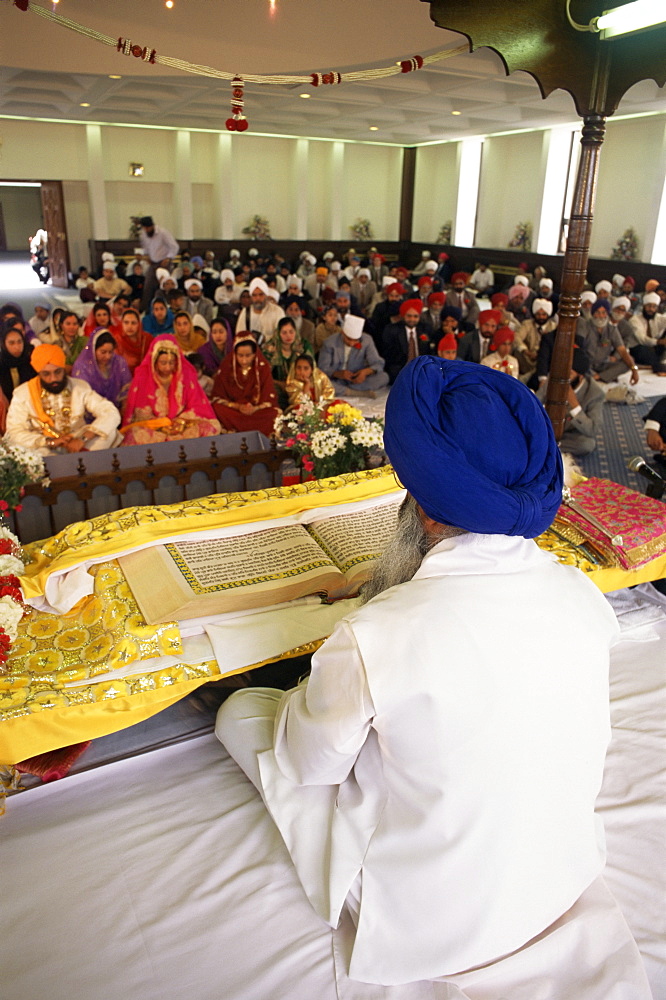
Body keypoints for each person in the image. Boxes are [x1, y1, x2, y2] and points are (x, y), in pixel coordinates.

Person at [215, 355, 627, 988]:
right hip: (559, 872)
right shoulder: (579, 594)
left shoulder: (380, 633)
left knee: (242, 714)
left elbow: (309, 765)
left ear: (424, 512)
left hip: (435, 916)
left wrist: (318, 688)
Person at [5, 343, 120, 455]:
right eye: (46, 374)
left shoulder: (79, 387)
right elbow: (15, 431)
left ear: (64, 368)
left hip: (77, 440)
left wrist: (83, 439)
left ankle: (83, 460)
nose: (53, 378)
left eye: (57, 372)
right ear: (38, 373)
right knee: (26, 448)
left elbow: (110, 412)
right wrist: (49, 442)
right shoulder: (23, 394)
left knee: (110, 433)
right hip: (44, 445)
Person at [121, 335, 221, 446]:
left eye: (172, 363)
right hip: (155, 427)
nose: (168, 367)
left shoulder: (185, 375)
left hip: (181, 425)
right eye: (163, 363)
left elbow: (197, 406)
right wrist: (162, 425)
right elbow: (141, 414)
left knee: (211, 427)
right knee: (134, 434)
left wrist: (180, 422)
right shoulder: (143, 377)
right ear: (154, 361)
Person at [537, 344, 604, 456]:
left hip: (570, 434)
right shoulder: (555, 379)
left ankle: (548, 447)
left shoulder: (595, 393)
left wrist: (575, 405)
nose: (564, 378)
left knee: (587, 444)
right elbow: (536, 401)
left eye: (570, 374)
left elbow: (593, 429)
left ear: (581, 376)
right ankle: (546, 446)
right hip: (547, 428)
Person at [211, 337, 280, 437]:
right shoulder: (227, 367)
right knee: (216, 408)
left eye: (248, 356)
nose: (244, 360)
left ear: (254, 354)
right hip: (234, 410)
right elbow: (218, 396)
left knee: (274, 413)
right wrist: (238, 406)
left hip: (256, 411)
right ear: (235, 354)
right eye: (240, 355)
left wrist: (255, 408)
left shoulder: (262, 368)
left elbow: (269, 396)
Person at [318, 315, 389, 397]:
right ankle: (353, 392)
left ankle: (343, 390)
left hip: (357, 379)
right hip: (336, 379)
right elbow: (322, 369)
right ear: (343, 333)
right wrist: (337, 373)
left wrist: (365, 372)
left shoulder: (366, 340)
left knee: (384, 377)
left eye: (355, 340)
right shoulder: (329, 343)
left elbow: (378, 363)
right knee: (320, 381)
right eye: (348, 339)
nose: (351, 343)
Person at [71, 329, 132, 410]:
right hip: (90, 414)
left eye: (110, 352)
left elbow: (126, 389)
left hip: (116, 412)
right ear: (93, 350)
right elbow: (81, 396)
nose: (108, 356)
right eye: (103, 352)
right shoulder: (82, 367)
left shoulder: (119, 363)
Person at [262, 316, 314, 409]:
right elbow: (263, 374)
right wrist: (280, 383)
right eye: (284, 333)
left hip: (300, 383)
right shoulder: (269, 348)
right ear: (278, 333)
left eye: (291, 332)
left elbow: (311, 368)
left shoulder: (304, 346)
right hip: (277, 386)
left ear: (296, 331)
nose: (288, 336)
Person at [583, 299, 639, 384]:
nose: (601, 316)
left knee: (628, 363)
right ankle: (600, 376)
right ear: (593, 313)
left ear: (607, 314)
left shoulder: (611, 329)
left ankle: (598, 376)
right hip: (586, 364)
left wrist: (634, 370)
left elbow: (622, 351)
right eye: (597, 312)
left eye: (604, 312)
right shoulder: (585, 326)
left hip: (603, 364)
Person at [382, 299, 433, 384]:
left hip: (421, 367)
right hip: (401, 368)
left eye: (415, 316)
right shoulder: (391, 330)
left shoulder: (426, 329)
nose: (412, 319)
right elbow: (388, 355)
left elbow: (429, 351)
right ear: (403, 316)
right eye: (409, 316)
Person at [139, 215, 180, 311]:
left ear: (152, 226)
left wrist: (168, 258)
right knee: (148, 287)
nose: (147, 230)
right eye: (145, 228)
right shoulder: (143, 235)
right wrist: (146, 256)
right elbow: (145, 248)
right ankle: (146, 310)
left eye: (148, 228)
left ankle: (169, 309)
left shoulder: (163, 233)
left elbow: (174, 247)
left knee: (166, 287)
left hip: (164, 263)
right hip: (153, 263)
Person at [235, 277, 285, 345]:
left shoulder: (277, 311)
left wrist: (265, 339)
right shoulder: (246, 312)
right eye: (254, 295)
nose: (258, 298)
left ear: (266, 295)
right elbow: (239, 336)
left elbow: (282, 334)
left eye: (261, 294)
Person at [0, 319, 34, 405]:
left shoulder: (31, 361)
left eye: (20, 342)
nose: (17, 347)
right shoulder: (1, 363)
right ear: (4, 345)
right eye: (11, 343)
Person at [113, 308, 152, 374]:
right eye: (126, 322)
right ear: (121, 323)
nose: (129, 326)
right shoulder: (117, 340)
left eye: (133, 323)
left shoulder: (147, 339)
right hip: (122, 378)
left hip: (145, 376)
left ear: (139, 324)